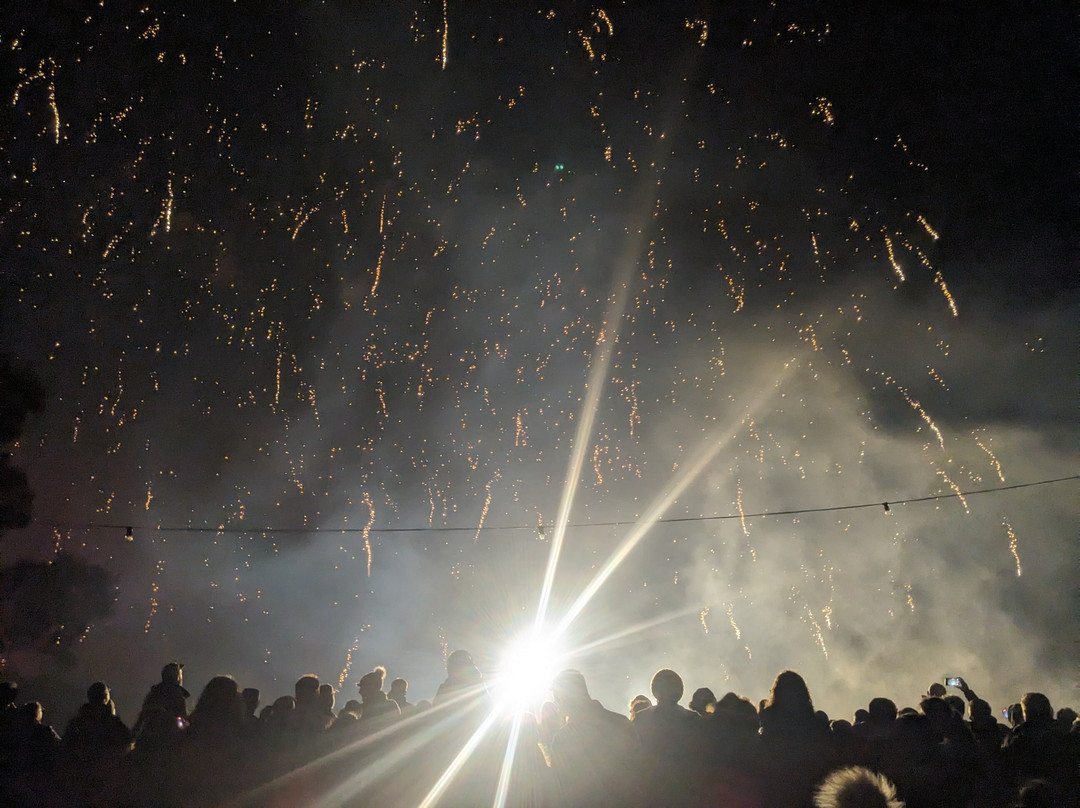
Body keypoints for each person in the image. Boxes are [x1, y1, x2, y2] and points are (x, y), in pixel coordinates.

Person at [549, 669, 643, 808]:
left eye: (557, 699)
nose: (557, 705)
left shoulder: (563, 740)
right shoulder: (621, 723)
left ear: (566, 698)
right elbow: (641, 772)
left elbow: (563, 793)